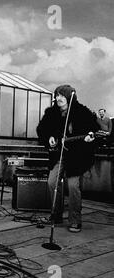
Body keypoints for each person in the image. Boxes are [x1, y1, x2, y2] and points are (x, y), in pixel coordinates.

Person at [37, 85, 99, 233]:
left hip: (76, 158)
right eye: (57, 95)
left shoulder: (82, 112)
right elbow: (42, 129)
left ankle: (75, 220)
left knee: (73, 186)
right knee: (52, 182)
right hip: (58, 155)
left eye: (62, 96)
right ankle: (56, 215)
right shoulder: (51, 112)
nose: (58, 98)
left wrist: (90, 137)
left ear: (70, 98)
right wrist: (50, 137)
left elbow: (94, 129)